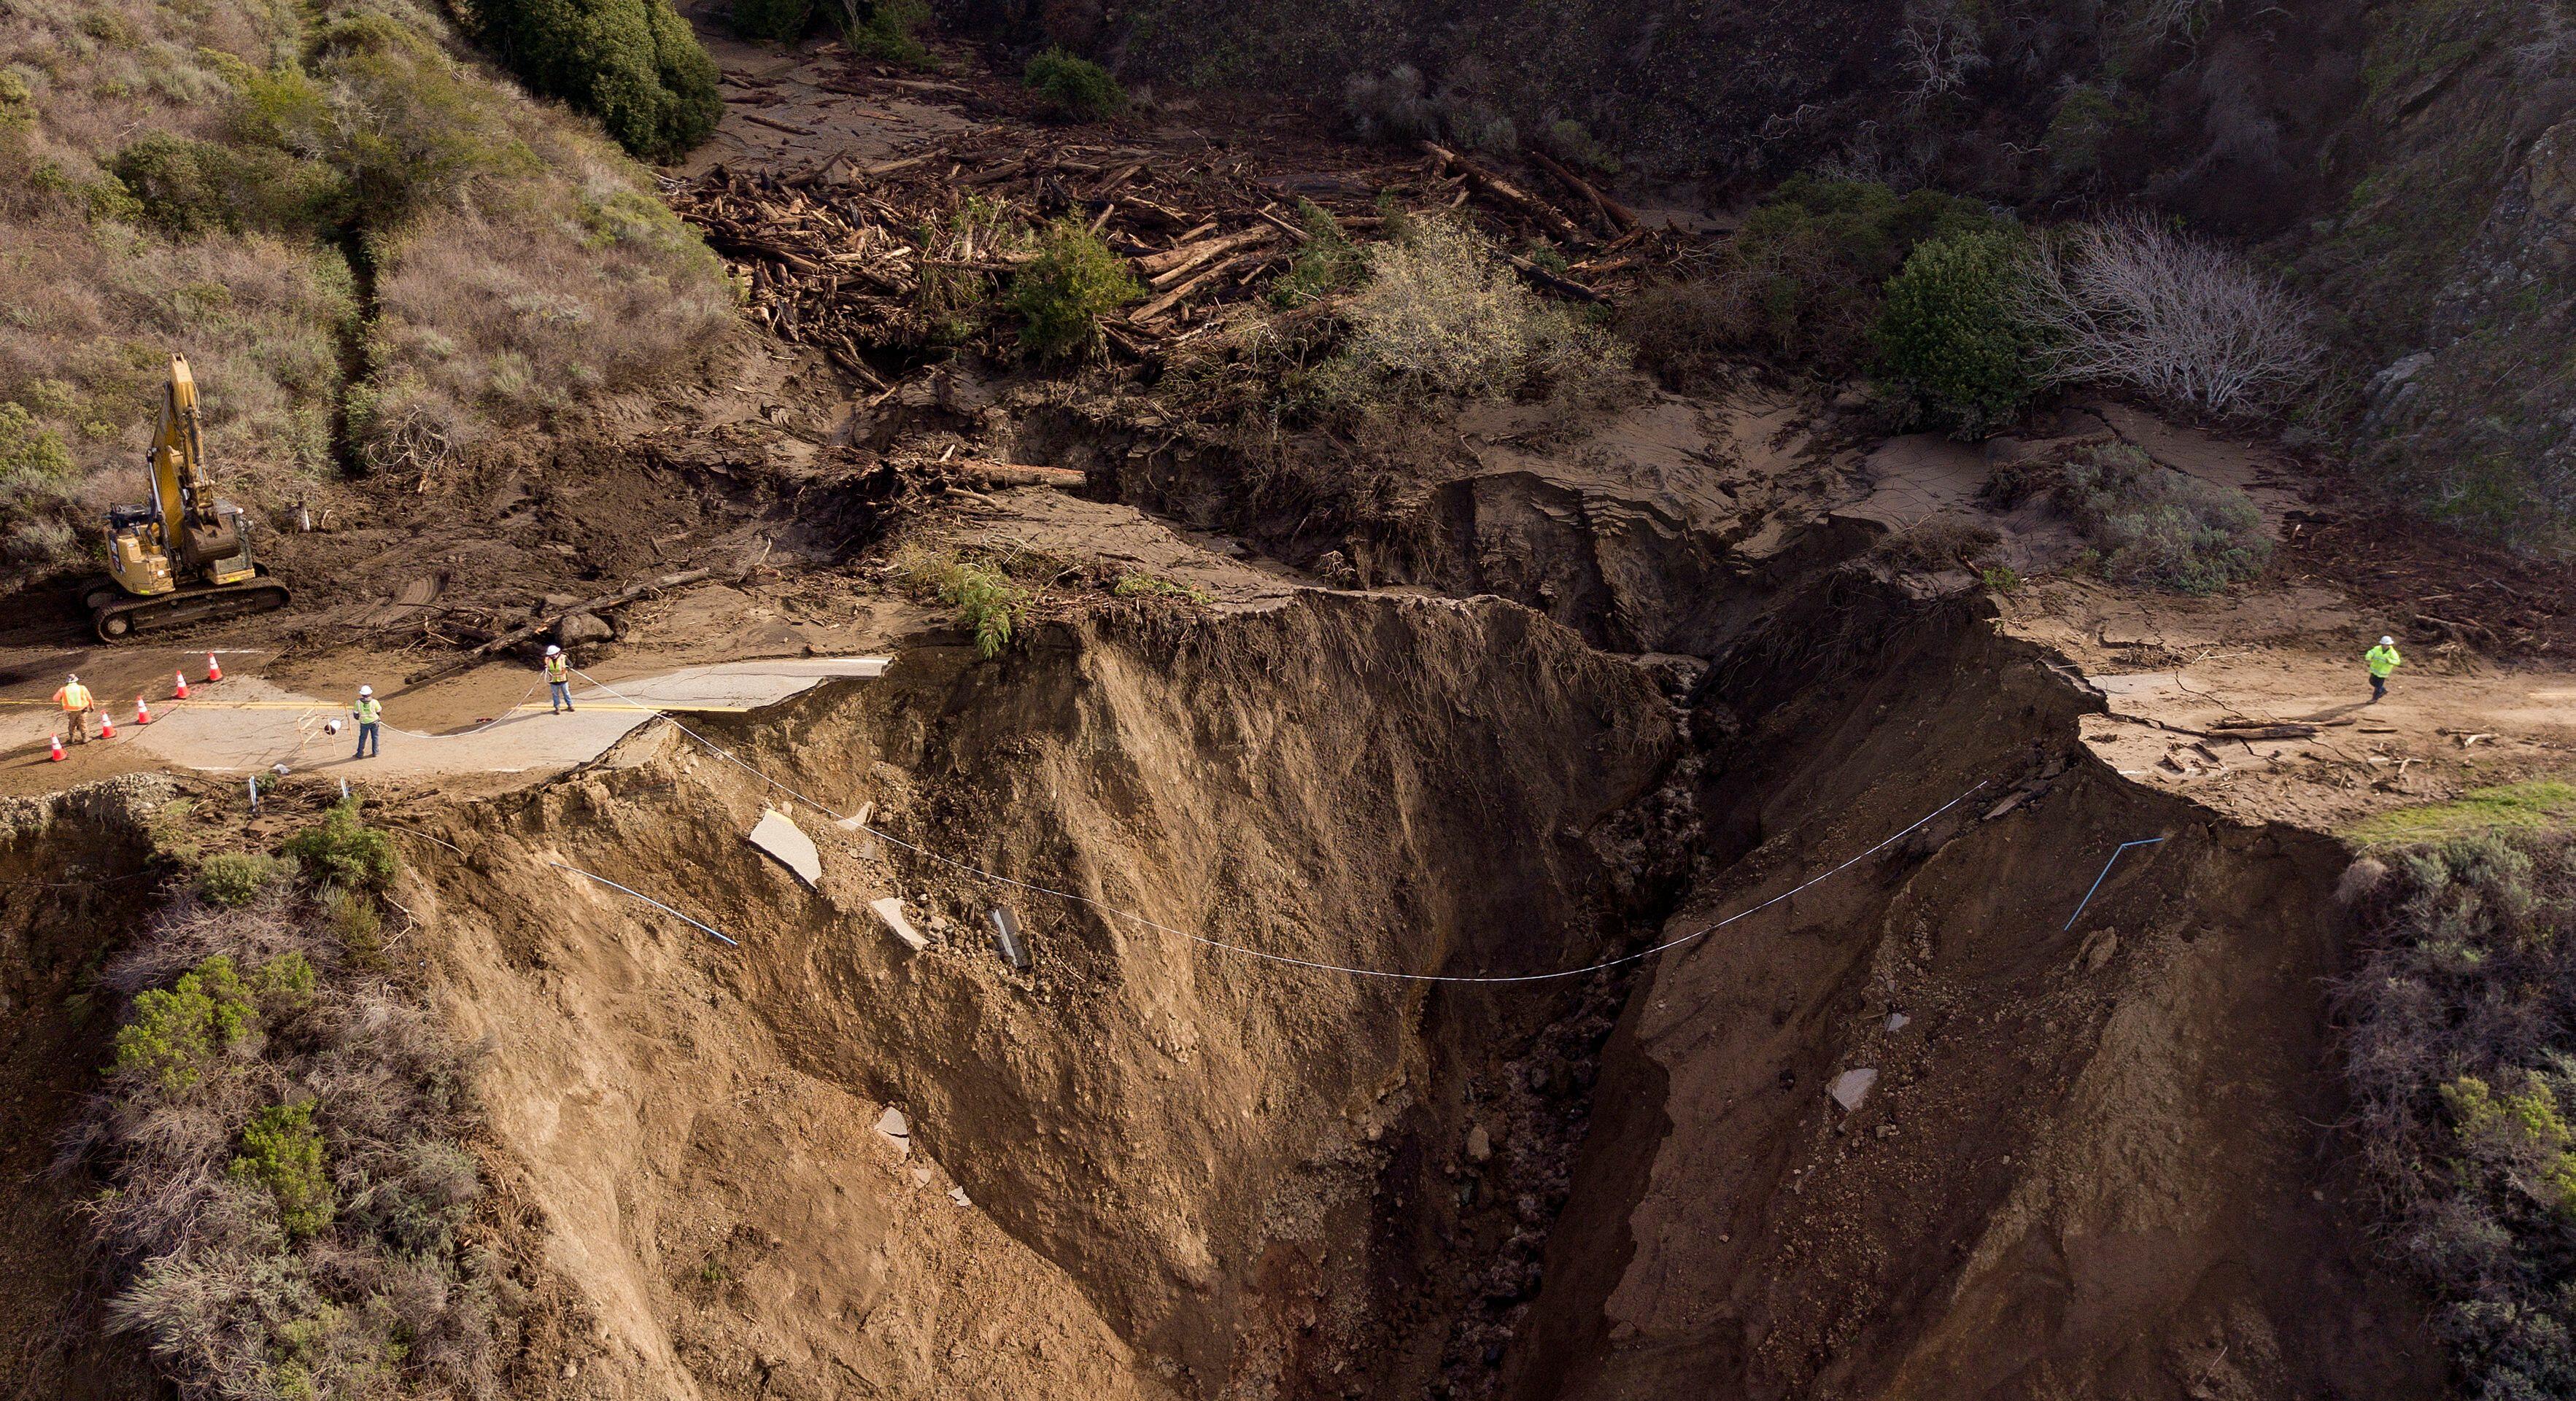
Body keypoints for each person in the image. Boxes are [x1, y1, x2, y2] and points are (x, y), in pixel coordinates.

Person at [52, 673, 93, 742]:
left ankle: (72, 738)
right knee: (83, 723)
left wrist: (62, 697)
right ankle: (85, 738)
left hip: (70, 710)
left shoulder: (63, 690)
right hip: (82, 709)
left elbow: (55, 699)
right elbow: (89, 698)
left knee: (72, 723)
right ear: (76, 680)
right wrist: (92, 706)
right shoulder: (82, 688)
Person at [2366, 635, 2403, 703]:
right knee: (2372, 681)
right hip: (2375, 669)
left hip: (2383, 672)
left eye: (2387, 645)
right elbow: (2371, 652)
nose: (2386, 646)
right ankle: (2383, 690)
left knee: (2378, 687)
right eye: (2384, 645)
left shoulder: (2393, 653)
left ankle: (2375, 699)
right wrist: (2368, 657)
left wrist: (2389, 661)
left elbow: (2397, 662)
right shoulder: (2377, 648)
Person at [352, 685, 382, 759]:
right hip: (374, 721)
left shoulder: (358, 703)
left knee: (362, 738)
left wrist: (360, 718)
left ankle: (360, 753)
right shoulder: (375, 702)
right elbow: (378, 711)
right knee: (375, 737)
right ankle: (375, 752)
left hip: (364, 723)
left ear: (362, 694)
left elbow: (356, 714)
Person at [544, 645, 575, 714]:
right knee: (555, 695)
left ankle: (570, 705)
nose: (552, 656)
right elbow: (545, 667)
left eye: (553, 654)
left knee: (566, 693)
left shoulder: (563, 658)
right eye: (550, 655)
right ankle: (557, 707)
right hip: (553, 681)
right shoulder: (547, 660)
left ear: (557, 653)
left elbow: (570, 664)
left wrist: (568, 668)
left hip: (563, 680)